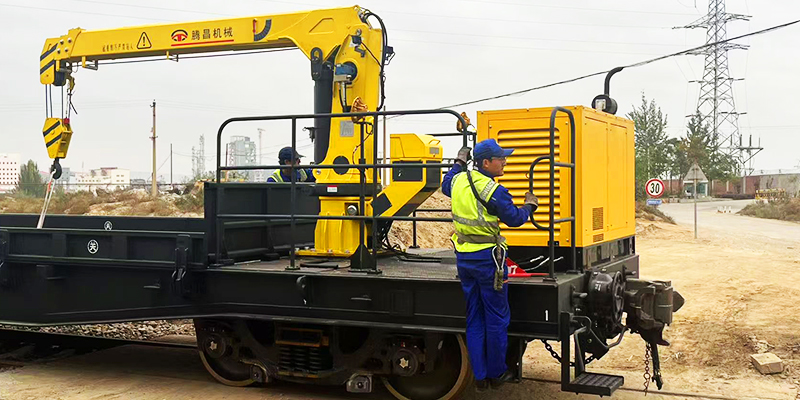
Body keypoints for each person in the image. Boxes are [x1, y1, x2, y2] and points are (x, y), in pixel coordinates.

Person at [442, 138, 538, 391]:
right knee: (496, 318)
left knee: (474, 317)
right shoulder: (493, 190)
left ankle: (480, 376)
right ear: (486, 162)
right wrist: (530, 206)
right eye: (500, 158)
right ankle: (496, 374)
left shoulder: (458, 180)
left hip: (464, 258)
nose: (504, 162)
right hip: (488, 260)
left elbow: (445, 184)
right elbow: (515, 219)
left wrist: (458, 162)